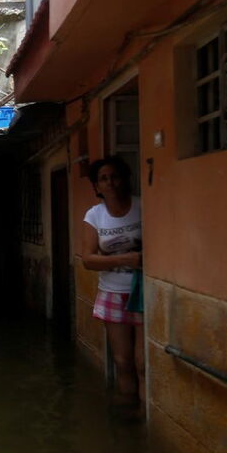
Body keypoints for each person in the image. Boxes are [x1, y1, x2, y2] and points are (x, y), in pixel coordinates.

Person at [81, 156, 144, 412]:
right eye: (104, 179)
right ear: (97, 187)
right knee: (122, 360)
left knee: (142, 362)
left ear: (125, 179)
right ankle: (127, 410)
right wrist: (127, 258)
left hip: (142, 291)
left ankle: (145, 412)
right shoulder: (94, 215)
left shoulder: (142, 207)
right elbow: (88, 259)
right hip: (112, 291)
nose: (111, 183)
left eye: (115, 176)